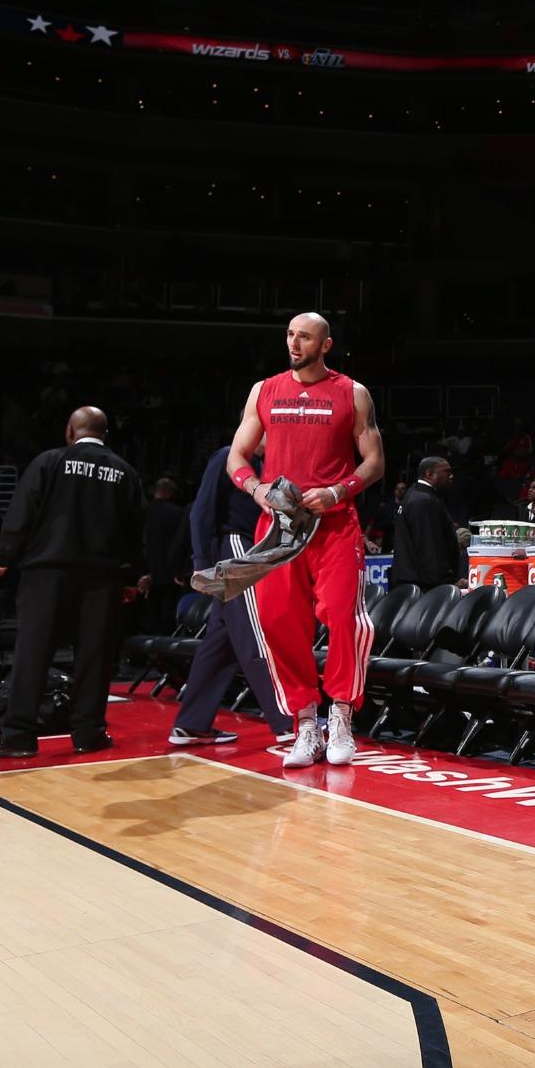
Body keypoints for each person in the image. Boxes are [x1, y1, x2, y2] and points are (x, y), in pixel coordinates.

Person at [224, 312, 385, 769]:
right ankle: (305, 722)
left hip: (334, 526)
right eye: (291, 335)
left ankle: (340, 715)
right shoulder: (265, 390)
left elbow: (373, 462)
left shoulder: (351, 393)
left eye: (305, 337)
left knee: (345, 619)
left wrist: (337, 491)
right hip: (279, 528)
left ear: (326, 344)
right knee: (276, 622)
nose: (295, 344)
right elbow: (237, 454)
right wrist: (257, 490)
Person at [0, 406, 147, 758]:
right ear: (106, 436)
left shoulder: (49, 462)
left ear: (70, 432)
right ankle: (89, 734)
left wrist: (0, 559)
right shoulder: (126, 473)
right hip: (102, 578)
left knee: (33, 654)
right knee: (94, 657)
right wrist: (130, 578)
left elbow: (21, 513)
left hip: (47, 574)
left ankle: (19, 736)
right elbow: (134, 534)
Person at [170, 443, 293, 746]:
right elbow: (201, 511)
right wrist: (201, 563)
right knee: (256, 633)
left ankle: (192, 723)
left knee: (221, 642)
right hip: (240, 548)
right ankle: (286, 722)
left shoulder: (275, 459)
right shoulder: (230, 456)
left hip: (261, 550)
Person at [390, 457, 462, 590]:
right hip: (424, 585)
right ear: (429, 474)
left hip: (414, 581)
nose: (451, 476)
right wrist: (444, 583)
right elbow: (429, 546)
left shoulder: (415, 493)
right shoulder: (423, 500)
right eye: (447, 472)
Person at [142, 476, 188, 634]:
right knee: (166, 615)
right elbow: (180, 543)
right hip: (169, 572)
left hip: (144, 567)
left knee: (145, 614)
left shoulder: (143, 510)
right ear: (171, 493)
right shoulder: (178, 513)